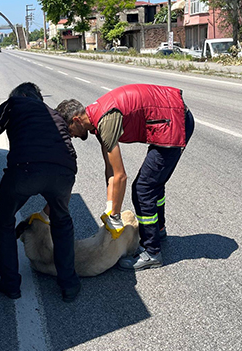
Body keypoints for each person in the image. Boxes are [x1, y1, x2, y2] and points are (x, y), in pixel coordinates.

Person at [56, 84, 194, 271]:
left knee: (143, 188)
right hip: (170, 118)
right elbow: (110, 169)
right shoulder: (96, 120)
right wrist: (109, 205)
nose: (70, 136)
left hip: (174, 121)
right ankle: (158, 230)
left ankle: (152, 252)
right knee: (155, 183)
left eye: (69, 130)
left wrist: (115, 216)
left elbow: (120, 175)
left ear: (76, 120)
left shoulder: (104, 121)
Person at [0, 82, 81, 302]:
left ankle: (10, 284)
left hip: (26, 171)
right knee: (62, 222)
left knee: (4, 221)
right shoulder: (53, 113)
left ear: (19, 95)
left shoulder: (12, 105)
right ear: (38, 98)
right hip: (64, 170)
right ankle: (68, 284)